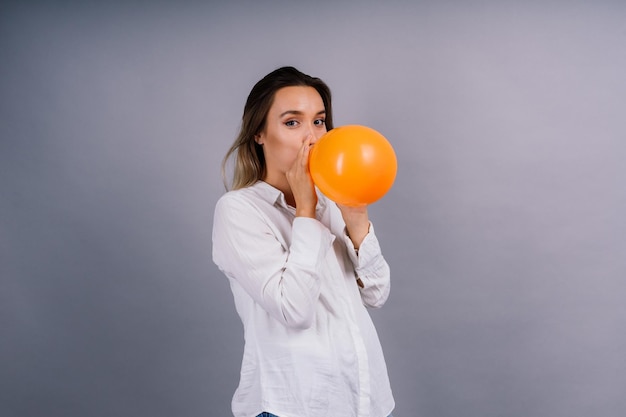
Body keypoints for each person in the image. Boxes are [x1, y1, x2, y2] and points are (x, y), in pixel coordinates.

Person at [212, 66, 395, 417]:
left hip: (363, 402)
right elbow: (294, 311)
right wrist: (306, 210)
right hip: (291, 407)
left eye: (319, 121)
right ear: (259, 134)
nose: (312, 138)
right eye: (292, 123)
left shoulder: (333, 201)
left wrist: (355, 214)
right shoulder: (238, 210)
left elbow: (377, 293)